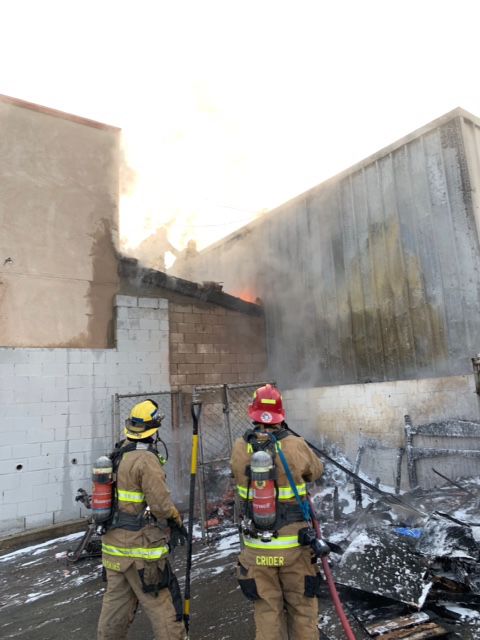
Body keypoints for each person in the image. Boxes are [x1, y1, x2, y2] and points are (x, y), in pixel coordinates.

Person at [230, 384, 325, 640]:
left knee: (266, 612)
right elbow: (316, 471)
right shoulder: (295, 444)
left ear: (253, 412)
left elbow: (235, 473)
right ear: (281, 414)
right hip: (294, 546)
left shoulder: (240, 447)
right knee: (302, 610)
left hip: (256, 548)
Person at [97, 399, 187, 640]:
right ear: (153, 429)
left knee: (115, 608)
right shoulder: (146, 459)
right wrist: (176, 521)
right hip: (141, 551)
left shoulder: (117, 454)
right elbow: (160, 505)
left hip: (114, 549)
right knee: (162, 605)